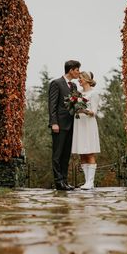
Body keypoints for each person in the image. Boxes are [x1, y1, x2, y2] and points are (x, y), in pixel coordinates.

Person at [48, 60, 81, 190]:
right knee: (57, 154)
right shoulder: (56, 83)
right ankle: (58, 181)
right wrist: (54, 123)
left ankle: (65, 181)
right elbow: (52, 105)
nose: (78, 72)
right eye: (77, 70)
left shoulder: (74, 87)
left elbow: (74, 105)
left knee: (66, 154)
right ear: (71, 70)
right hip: (59, 125)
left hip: (72, 124)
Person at [71, 71, 100, 189]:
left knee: (89, 152)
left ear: (87, 79)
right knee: (82, 154)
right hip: (79, 124)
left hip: (88, 125)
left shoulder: (94, 93)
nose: (79, 80)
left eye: (81, 78)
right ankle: (86, 181)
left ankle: (91, 182)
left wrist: (83, 110)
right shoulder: (78, 94)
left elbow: (94, 112)